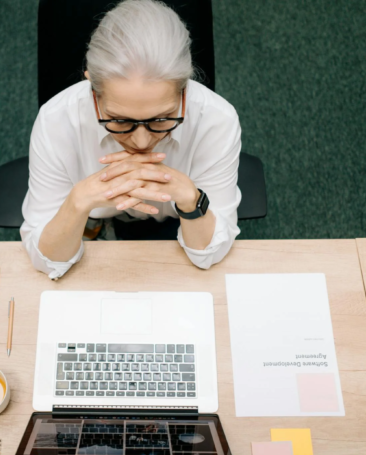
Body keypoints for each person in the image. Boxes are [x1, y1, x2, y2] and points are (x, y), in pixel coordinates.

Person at [21, 0, 241, 280]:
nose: (140, 142)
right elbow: (46, 260)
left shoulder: (216, 119)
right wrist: (77, 203)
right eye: (120, 120)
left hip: (174, 230)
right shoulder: (56, 120)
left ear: (185, 91)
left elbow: (208, 253)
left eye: (161, 119)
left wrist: (191, 199)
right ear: (92, 90)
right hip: (91, 229)